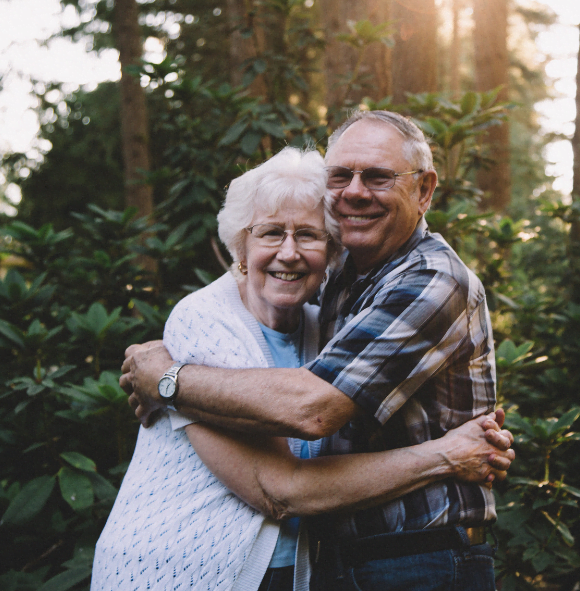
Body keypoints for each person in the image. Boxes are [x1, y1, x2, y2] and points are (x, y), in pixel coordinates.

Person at [94, 146, 514, 591]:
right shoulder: (203, 321)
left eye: (309, 236)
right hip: (177, 570)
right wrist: (445, 457)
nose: (289, 253)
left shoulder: (324, 330)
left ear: (332, 250)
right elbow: (279, 489)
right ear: (241, 245)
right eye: (271, 233)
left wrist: (168, 381)